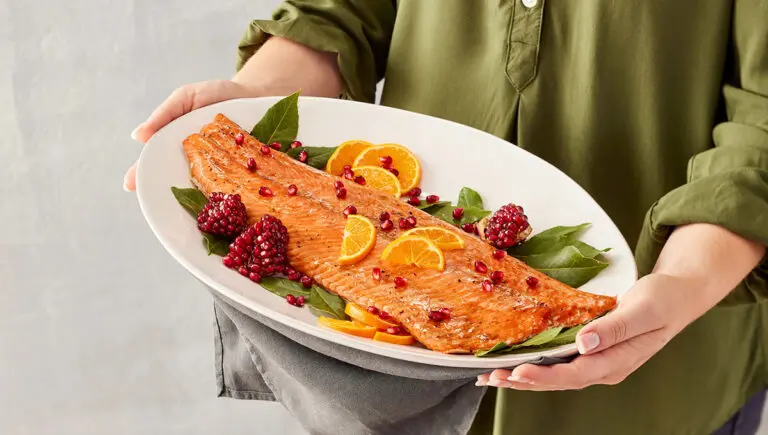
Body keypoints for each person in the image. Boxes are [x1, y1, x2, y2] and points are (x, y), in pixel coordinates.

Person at [123, 1, 768, 434]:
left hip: (665, 368)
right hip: (392, 367)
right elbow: (342, 11)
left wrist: (683, 282)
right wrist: (256, 102)